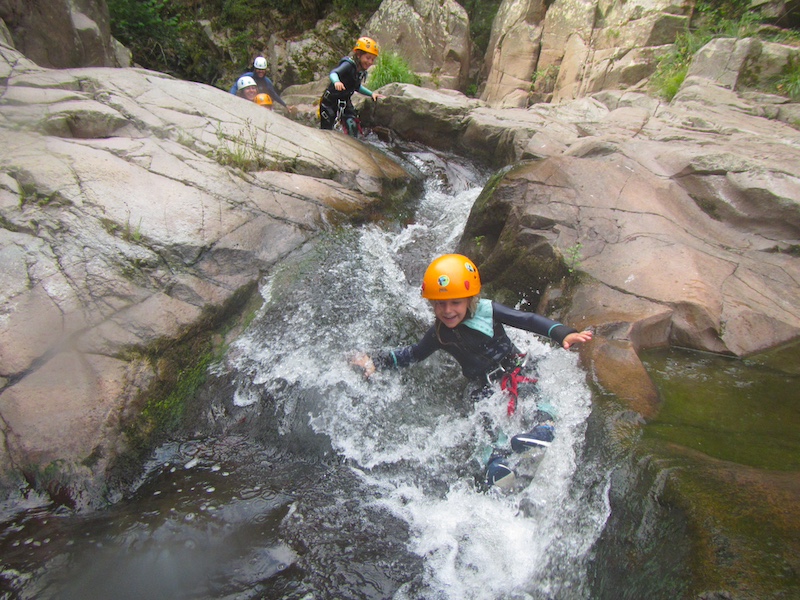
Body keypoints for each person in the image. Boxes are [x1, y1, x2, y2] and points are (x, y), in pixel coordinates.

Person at [351, 254, 593, 489]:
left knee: (528, 392)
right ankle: (496, 462)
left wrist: (562, 333)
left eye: (455, 302)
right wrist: (377, 361)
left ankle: (544, 427)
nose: (448, 311)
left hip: (513, 369)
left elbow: (527, 320)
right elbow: (413, 354)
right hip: (484, 385)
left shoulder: (487, 311)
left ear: (470, 299)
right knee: (486, 420)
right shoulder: (438, 334)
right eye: (440, 304)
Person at [319, 36, 386, 137]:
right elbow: (334, 73)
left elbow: (357, 87)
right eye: (368, 58)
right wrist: (337, 81)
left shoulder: (360, 71)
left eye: (372, 60)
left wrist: (371, 94)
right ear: (358, 55)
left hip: (345, 102)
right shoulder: (348, 65)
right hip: (330, 102)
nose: (370, 62)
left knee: (352, 125)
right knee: (327, 129)